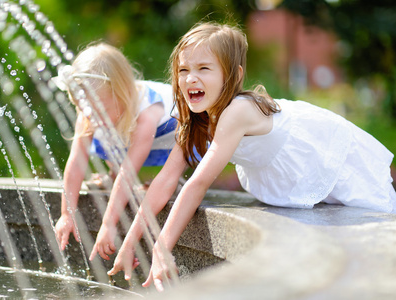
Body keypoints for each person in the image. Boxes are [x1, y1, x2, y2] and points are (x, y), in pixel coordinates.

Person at [107, 22, 396, 292]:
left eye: (204, 68)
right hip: (283, 163)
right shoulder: (194, 118)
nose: (191, 78)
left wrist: (161, 248)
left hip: (316, 147)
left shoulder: (238, 111)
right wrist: (130, 241)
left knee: (368, 217)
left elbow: (197, 184)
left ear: (234, 75)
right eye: (184, 70)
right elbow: (165, 180)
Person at [52, 42, 177, 261]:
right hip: (128, 130)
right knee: (99, 132)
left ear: (125, 93)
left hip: (172, 130)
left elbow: (128, 172)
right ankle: (111, 173)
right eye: (84, 109)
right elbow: (75, 163)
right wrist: (66, 213)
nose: (91, 116)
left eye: (101, 109)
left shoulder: (149, 111)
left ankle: (174, 183)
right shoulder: (93, 111)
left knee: (171, 154)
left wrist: (108, 224)